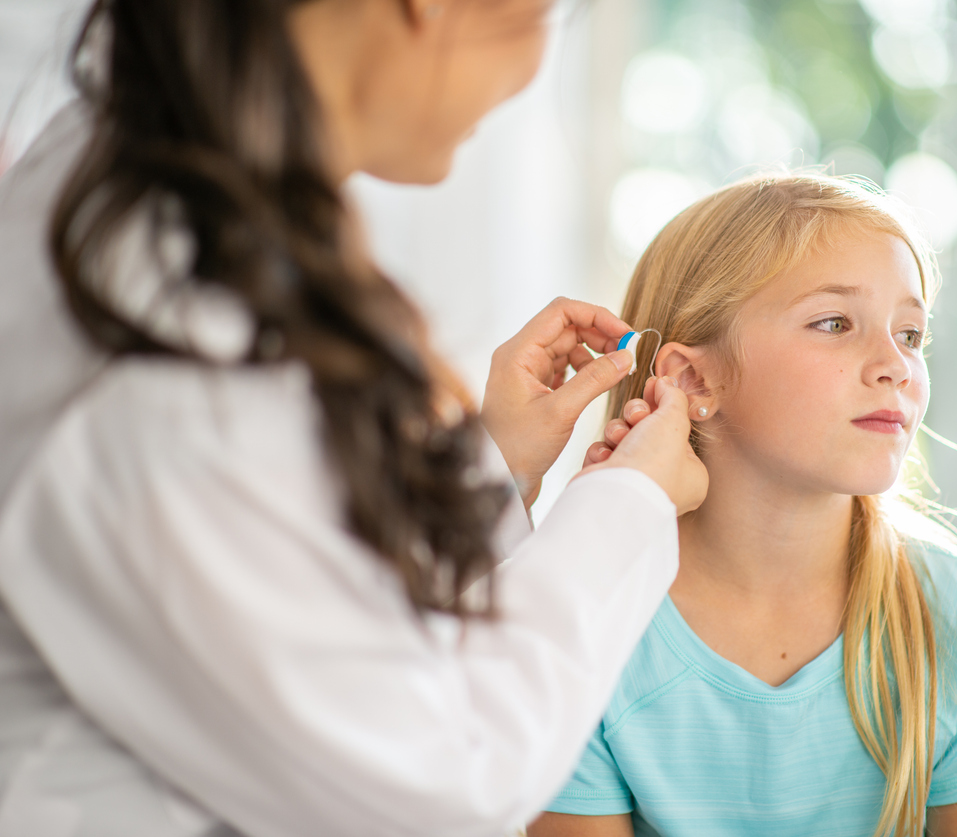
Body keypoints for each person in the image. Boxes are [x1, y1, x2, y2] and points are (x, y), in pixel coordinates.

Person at [0, 1, 707, 835]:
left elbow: (309, 596)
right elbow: (442, 770)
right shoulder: (173, 361)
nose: (532, 72)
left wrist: (497, 466)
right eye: (550, 14)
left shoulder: (158, 203)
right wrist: (627, 504)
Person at [530, 173, 957, 837]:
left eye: (911, 334)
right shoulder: (582, 625)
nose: (895, 365)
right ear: (694, 379)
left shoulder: (956, 615)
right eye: (834, 322)